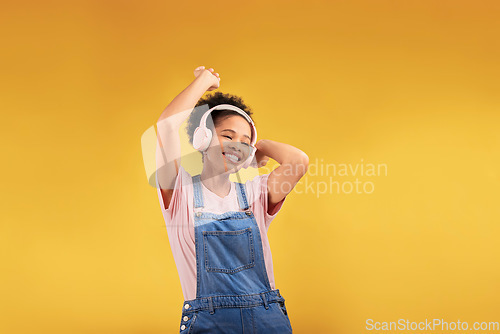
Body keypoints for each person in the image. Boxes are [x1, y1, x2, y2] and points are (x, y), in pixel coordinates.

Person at [154, 66, 309, 333]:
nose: (237, 145)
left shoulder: (256, 194)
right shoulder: (179, 193)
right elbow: (166, 125)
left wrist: (260, 146)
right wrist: (203, 81)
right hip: (210, 322)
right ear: (202, 138)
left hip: (267, 317)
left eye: (245, 141)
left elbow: (299, 161)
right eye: (227, 136)